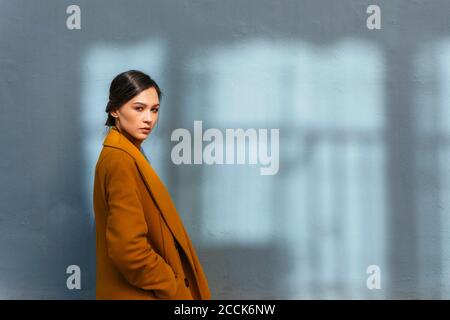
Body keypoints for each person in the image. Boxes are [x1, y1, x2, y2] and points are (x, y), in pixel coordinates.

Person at [93, 70, 211, 300]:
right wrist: (176, 289)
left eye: (154, 110)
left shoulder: (126, 154)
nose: (148, 118)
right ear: (114, 110)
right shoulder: (120, 160)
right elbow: (128, 251)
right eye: (138, 108)